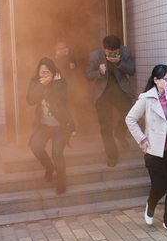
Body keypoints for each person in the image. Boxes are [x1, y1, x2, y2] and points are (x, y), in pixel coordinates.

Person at [125, 65, 167, 236]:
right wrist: (142, 139)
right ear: (156, 80)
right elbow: (130, 119)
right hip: (154, 151)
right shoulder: (146, 98)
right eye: (165, 78)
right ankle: (151, 204)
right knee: (160, 186)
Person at [26, 57, 76, 195]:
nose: (44, 75)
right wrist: (42, 85)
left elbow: (62, 101)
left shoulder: (61, 82)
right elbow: (30, 100)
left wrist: (57, 84)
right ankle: (49, 167)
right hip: (43, 125)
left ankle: (61, 182)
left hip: (60, 126)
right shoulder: (35, 81)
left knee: (57, 153)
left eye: (48, 72)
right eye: (42, 72)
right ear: (38, 72)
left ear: (53, 72)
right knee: (36, 147)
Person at [86, 35, 135, 167]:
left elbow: (132, 71)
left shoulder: (125, 52)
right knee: (105, 127)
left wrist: (119, 62)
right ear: (104, 49)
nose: (112, 54)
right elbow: (88, 75)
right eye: (109, 52)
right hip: (103, 94)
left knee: (129, 114)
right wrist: (99, 72)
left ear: (119, 49)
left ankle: (120, 133)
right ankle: (112, 155)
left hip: (121, 91)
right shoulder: (95, 56)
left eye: (115, 52)